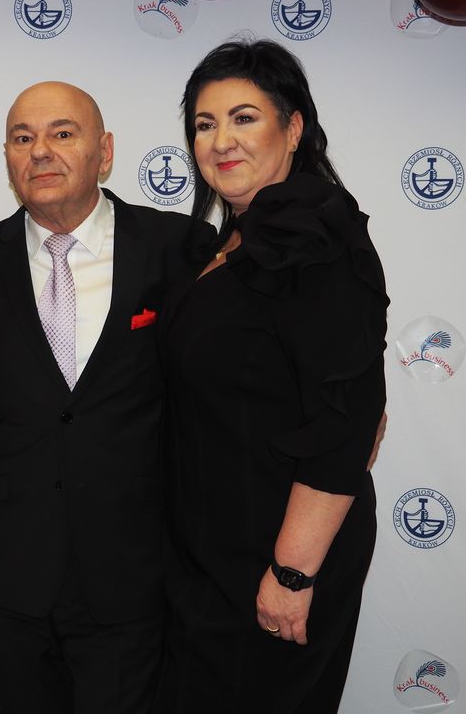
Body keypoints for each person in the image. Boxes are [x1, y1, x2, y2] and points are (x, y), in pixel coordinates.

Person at [0, 81, 194, 714]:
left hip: (134, 568)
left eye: (62, 133)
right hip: (13, 569)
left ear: (104, 152)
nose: (40, 151)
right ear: (6, 158)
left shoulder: (179, 248)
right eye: (22, 138)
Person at [154, 38, 389, 712]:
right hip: (208, 555)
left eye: (244, 118)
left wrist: (292, 573)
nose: (221, 140)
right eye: (205, 124)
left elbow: (345, 419)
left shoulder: (316, 236)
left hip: (276, 556)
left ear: (293, 129)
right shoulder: (224, 244)